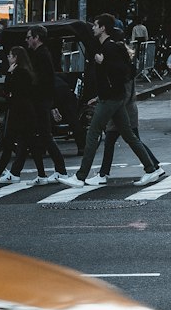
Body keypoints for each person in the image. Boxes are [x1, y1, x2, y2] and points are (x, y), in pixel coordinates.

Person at [61, 14, 164, 188]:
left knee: (93, 134)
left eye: (95, 25)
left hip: (110, 99)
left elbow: (120, 72)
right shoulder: (106, 47)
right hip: (113, 98)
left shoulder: (109, 48)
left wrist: (103, 63)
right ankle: (151, 169)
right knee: (129, 136)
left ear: (103, 28)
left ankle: (80, 176)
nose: (93, 28)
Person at [0, 46, 51, 186]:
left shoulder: (17, 73)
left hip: (18, 114)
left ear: (16, 57)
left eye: (10, 55)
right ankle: (42, 175)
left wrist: (9, 74)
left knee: (8, 145)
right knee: (32, 145)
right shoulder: (27, 73)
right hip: (26, 112)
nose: (8, 58)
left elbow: (9, 92)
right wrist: (1, 110)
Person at [99, 39, 160, 181]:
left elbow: (124, 94)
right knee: (125, 141)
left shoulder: (124, 71)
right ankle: (154, 165)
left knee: (128, 141)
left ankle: (103, 173)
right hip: (125, 111)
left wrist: (112, 108)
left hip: (123, 112)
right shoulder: (125, 69)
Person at [24, 25, 69, 182]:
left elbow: (45, 81)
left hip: (41, 101)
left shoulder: (41, 55)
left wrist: (51, 104)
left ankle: (60, 170)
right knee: (38, 137)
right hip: (41, 101)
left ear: (36, 38)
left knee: (45, 136)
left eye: (29, 37)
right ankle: (44, 173)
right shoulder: (41, 54)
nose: (27, 40)